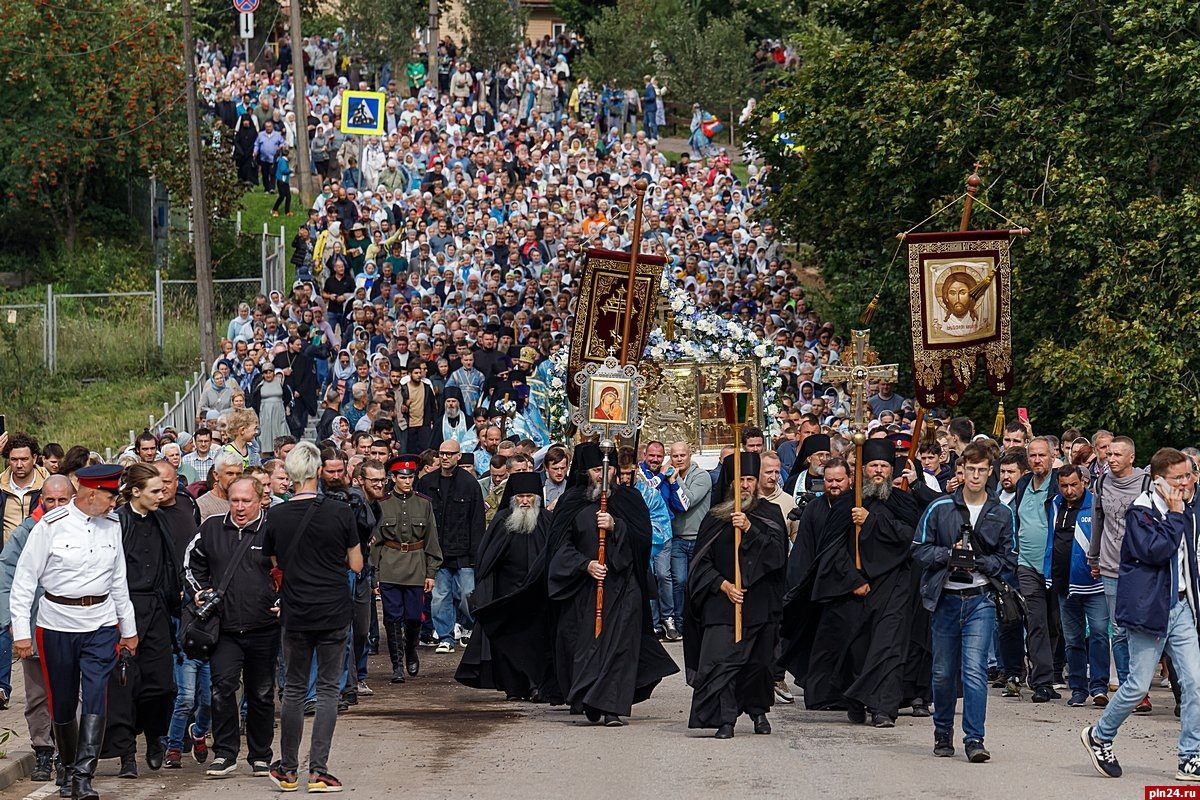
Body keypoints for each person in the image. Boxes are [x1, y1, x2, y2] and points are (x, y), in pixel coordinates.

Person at [11, 464, 139, 800]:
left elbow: (118, 580)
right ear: (92, 493)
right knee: (63, 702)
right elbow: (24, 581)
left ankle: (84, 775)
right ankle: (66, 765)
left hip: (101, 623)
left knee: (97, 695)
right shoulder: (50, 526)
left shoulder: (112, 524)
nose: (115, 503)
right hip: (57, 624)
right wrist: (21, 632)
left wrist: (129, 628)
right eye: (111, 496)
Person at [1082, 447, 1200, 781]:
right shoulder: (1141, 511)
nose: (1188, 482)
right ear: (1160, 481)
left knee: (1195, 683)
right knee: (1136, 685)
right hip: (1149, 609)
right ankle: (1099, 735)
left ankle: (1190, 757)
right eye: (1180, 477)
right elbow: (1155, 551)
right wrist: (1176, 515)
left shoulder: (1187, 511)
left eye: (1190, 475)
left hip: (1181, 608)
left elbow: (1187, 563)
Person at [546, 442, 678, 726]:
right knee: (587, 646)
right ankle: (591, 700)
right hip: (583, 589)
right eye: (596, 469)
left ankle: (612, 707)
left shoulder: (629, 499)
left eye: (609, 469)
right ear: (585, 472)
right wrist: (586, 564)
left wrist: (617, 526)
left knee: (621, 647)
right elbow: (559, 547)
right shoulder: (571, 503)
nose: (603, 475)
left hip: (623, 586)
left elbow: (644, 542)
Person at [265, 442, 362, 793]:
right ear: (318, 472)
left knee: (292, 690)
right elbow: (356, 564)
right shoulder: (340, 511)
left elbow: (273, 563)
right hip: (334, 609)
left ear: (289, 476)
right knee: (326, 691)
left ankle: (288, 769)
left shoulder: (274, 516)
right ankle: (318, 770)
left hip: (296, 610)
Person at [912, 442, 1016, 763]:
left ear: (989, 472)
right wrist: (949, 555)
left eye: (981, 470)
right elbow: (918, 549)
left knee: (974, 671)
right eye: (969, 469)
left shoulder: (1001, 512)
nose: (974, 475)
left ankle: (975, 738)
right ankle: (942, 731)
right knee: (943, 672)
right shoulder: (940, 507)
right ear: (961, 471)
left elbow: (1009, 559)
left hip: (980, 599)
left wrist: (978, 561)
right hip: (945, 598)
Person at [684, 452, 788, 738]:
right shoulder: (714, 516)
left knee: (758, 665)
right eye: (739, 480)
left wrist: (750, 529)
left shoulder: (770, 514)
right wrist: (723, 585)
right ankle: (725, 720)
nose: (745, 486)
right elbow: (700, 564)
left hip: (759, 603)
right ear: (729, 483)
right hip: (721, 602)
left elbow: (777, 557)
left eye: (750, 480)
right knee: (720, 663)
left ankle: (757, 712)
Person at [183, 476, 280, 778]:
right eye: (234, 500)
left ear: (261, 499)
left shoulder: (274, 529)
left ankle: (261, 755)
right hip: (223, 629)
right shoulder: (211, 528)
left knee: (262, 692)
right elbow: (190, 564)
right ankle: (225, 753)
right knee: (222, 689)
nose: (239, 507)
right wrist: (199, 592)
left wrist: (283, 598)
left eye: (246, 501)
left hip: (264, 626)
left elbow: (292, 567)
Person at [103, 463, 179, 779]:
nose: (162, 495)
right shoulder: (117, 523)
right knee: (123, 687)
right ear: (135, 492)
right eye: (155, 491)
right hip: (124, 609)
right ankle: (127, 756)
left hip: (156, 609)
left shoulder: (161, 520)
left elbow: (168, 564)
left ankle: (153, 736)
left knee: (161, 684)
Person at [0, 475, 75, 783]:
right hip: (34, 627)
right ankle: (43, 750)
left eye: (62, 500)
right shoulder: (26, 532)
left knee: (71, 693)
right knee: (36, 695)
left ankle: (68, 752)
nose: (56, 506)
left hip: (72, 628)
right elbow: (7, 573)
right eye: (50, 500)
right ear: (41, 499)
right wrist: (13, 625)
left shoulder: (85, 529)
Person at [455, 471, 555, 701]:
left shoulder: (547, 522)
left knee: (537, 642)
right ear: (513, 497)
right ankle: (514, 687)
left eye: (530, 496)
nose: (525, 501)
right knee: (508, 643)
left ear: (537, 497)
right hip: (505, 593)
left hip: (537, 594)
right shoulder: (501, 521)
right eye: (521, 496)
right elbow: (487, 559)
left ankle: (537, 685)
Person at [370, 456, 441, 683]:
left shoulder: (424, 503)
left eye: (410, 477)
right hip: (390, 564)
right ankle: (396, 665)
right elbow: (376, 543)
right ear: (393, 478)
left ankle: (410, 650)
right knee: (392, 618)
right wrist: (375, 576)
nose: (408, 481)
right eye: (403, 477)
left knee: (413, 618)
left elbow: (432, 540)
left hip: (416, 564)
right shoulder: (382, 504)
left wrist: (431, 572)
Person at [1087, 435, 1148, 691]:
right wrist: (1094, 557)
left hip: (1140, 567)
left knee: (1141, 628)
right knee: (1119, 630)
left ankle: (1141, 683)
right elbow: (1098, 521)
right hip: (1111, 565)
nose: (1110, 459)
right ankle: (1128, 689)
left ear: (1131, 457)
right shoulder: (1102, 482)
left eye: (1117, 455)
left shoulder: (1146, 484)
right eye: (1108, 454)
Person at [417, 438, 485, 653]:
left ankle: (467, 625)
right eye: (442, 453)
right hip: (437, 552)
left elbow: (477, 521)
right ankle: (446, 636)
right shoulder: (427, 482)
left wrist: (476, 555)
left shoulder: (469, 484)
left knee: (468, 595)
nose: (445, 457)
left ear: (458, 456)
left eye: (449, 454)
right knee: (439, 597)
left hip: (464, 551)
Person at [1049, 465, 1109, 707]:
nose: (1069, 490)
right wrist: (1047, 573)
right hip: (1064, 583)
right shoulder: (1055, 504)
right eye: (1064, 486)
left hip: (1093, 584)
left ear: (1084, 481)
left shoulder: (1097, 503)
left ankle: (1099, 686)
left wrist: (1102, 563)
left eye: (1074, 484)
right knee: (1072, 639)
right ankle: (1077, 689)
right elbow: (1050, 540)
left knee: (1098, 635)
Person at [197, 450, 245, 522]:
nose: (235, 478)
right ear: (216, 475)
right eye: (230, 474)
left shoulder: (247, 502)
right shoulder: (202, 505)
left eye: (238, 474)